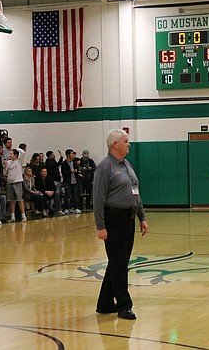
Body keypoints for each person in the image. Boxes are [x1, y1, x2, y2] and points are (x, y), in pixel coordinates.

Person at [92, 129, 148, 320]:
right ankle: (125, 305)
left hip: (128, 218)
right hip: (113, 219)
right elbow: (98, 199)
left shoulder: (127, 165)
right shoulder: (104, 168)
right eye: (126, 141)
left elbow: (135, 192)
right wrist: (100, 226)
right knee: (119, 263)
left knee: (119, 262)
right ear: (115, 144)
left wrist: (142, 216)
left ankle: (105, 303)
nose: (129, 144)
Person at [5, 149, 27, 223]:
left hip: (17, 182)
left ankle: (23, 216)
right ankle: (12, 217)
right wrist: (5, 167)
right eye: (9, 154)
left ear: (16, 155)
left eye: (11, 154)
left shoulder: (19, 161)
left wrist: (16, 148)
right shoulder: (8, 162)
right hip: (9, 183)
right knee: (12, 200)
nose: (10, 155)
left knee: (19, 199)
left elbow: (23, 152)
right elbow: (5, 172)